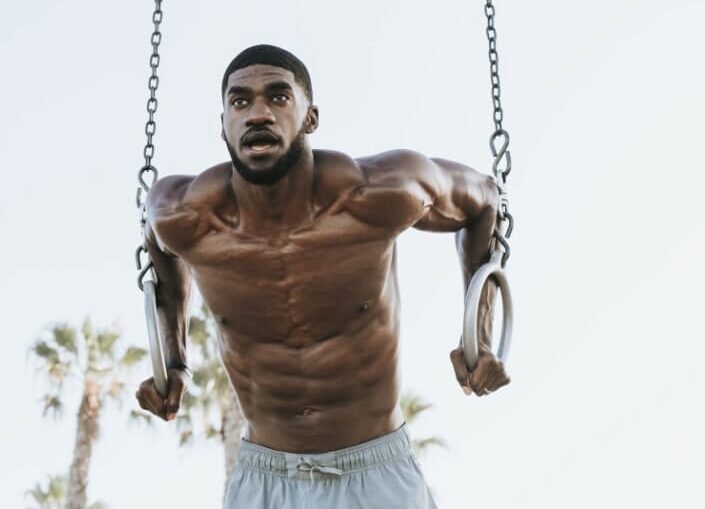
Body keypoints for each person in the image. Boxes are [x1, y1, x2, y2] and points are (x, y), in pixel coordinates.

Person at [135, 44, 510, 508]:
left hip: (376, 473)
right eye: (240, 102)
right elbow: (161, 256)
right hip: (264, 479)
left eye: (278, 98)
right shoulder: (184, 216)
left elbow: (484, 200)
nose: (257, 114)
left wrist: (481, 337)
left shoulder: (380, 194)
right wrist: (174, 363)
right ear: (223, 125)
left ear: (310, 118)